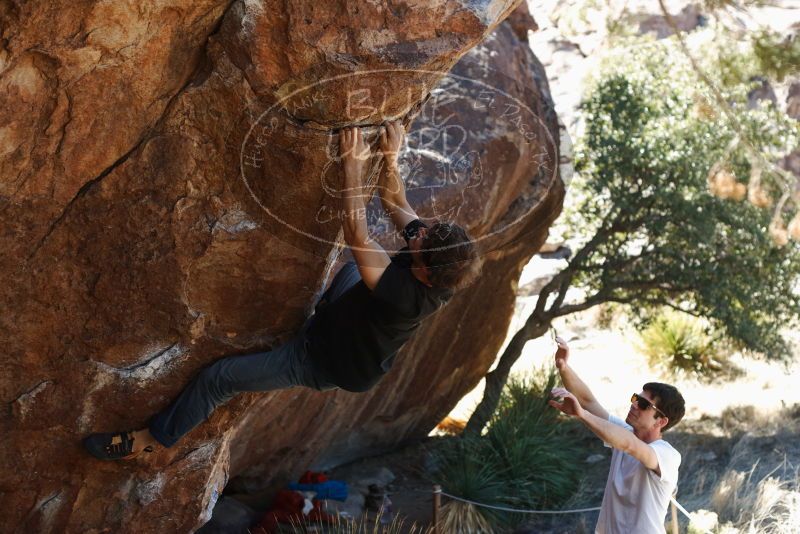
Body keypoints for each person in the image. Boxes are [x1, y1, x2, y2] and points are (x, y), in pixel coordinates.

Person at [84, 121, 480, 460]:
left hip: (322, 359)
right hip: (354, 319)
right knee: (350, 275)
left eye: (423, 238)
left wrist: (352, 165)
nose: (420, 230)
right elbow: (395, 200)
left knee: (218, 379)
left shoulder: (406, 295)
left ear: (426, 273)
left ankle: (151, 441)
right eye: (427, 230)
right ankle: (328, 311)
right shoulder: (436, 256)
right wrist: (390, 156)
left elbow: (356, 231)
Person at [547, 337, 685, 534]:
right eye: (636, 399)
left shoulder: (667, 455)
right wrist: (563, 366)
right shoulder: (624, 433)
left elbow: (630, 445)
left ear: (661, 422)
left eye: (644, 405)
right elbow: (587, 400)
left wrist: (581, 415)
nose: (634, 405)